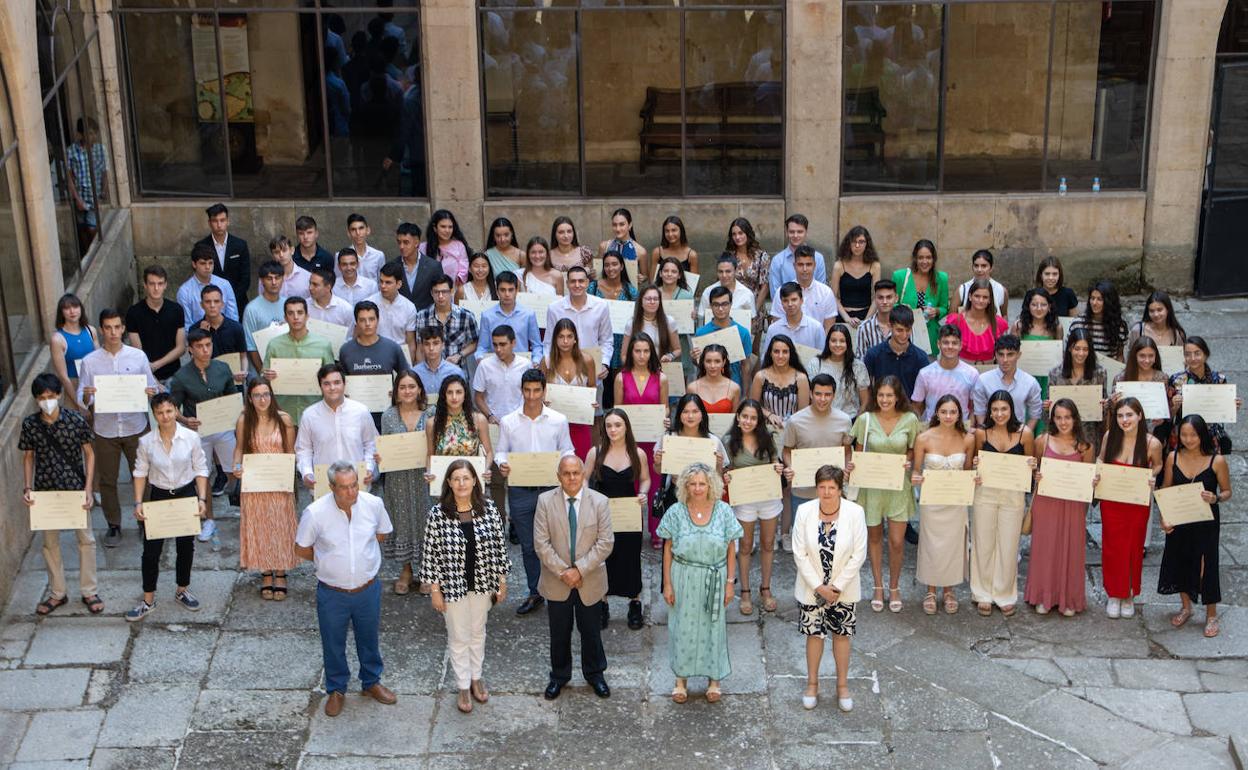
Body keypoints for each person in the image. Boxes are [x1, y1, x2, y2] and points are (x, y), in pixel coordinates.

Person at [295, 461, 397, 717]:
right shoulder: (315, 513)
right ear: (331, 487)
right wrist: (328, 561)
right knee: (332, 641)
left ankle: (371, 682)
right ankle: (336, 689)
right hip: (332, 592)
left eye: (354, 485)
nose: (351, 492)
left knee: (369, 637)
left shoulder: (373, 505)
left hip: (367, 588)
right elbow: (301, 548)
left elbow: (382, 533)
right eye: (344, 488)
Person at [422, 459, 511, 713]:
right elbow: (430, 554)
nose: (462, 483)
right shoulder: (437, 515)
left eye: (466, 478)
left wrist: (501, 581)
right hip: (452, 587)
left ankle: (476, 677)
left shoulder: (490, 509)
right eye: (456, 479)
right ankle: (462, 684)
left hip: (483, 584)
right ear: (448, 482)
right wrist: (435, 591)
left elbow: (499, 548)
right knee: (459, 636)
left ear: (475, 481)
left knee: (477, 632)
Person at [659, 462, 742, 704]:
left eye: (702, 483)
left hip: (715, 577)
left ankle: (714, 680)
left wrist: (729, 582)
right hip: (683, 576)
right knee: (681, 627)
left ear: (711, 485)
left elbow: (731, 547)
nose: (697, 488)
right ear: (685, 485)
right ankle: (681, 680)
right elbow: (668, 549)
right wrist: (667, 584)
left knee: (713, 628)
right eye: (693, 483)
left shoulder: (724, 510)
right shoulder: (676, 511)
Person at [78, 308, 160, 548]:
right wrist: (87, 396)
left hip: (136, 426)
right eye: (108, 327)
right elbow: (83, 398)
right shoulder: (90, 362)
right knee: (107, 479)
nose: (113, 332)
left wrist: (149, 391)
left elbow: (152, 386)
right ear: (101, 329)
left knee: (143, 475)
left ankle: (144, 520)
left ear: (123, 328)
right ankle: (114, 524)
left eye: (117, 327)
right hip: (105, 430)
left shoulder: (138, 357)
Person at [534, 455, 614, 700]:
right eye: (566, 473)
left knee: (591, 631)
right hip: (556, 581)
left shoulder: (599, 502)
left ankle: (595, 674)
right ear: (558, 476)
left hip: (589, 580)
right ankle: (559, 676)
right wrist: (564, 572)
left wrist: (579, 570)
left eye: (576, 473)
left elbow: (605, 542)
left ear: (582, 474)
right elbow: (541, 543)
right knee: (559, 631)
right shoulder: (545, 501)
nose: (571, 478)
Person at [496, 369, 575, 614]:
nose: (531, 396)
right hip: (520, 490)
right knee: (529, 546)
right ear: (521, 390)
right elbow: (500, 451)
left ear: (544, 391)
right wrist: (502, 464)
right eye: (527, 390)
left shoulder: (558, 420)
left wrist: (568, 465)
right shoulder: (508, 421)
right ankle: (535, 592)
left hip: (551, 489)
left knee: (556, 543)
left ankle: (559, 590)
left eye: (536, 391)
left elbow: (567, 450)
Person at [21, 374, 100, 616]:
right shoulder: (30, 425)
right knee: (49, 544)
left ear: (59, 395)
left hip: (75, 489)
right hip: (45, 492)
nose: (47, 401)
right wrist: (27, 488)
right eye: (42, 397)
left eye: (51, 396)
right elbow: (28, 456)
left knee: (86, 540)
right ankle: (57, 593)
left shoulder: (75, 420)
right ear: (36, 399)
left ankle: (89, 590)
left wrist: (88, 490)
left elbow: (90, 454)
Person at [126, 393, 210, 621]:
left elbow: (201, 468)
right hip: (159, 496)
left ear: (176, 410)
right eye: (160, 412)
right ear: (154, 415)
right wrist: (138, 502)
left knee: (186, 546)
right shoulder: (146, 442)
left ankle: (182, 590)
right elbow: (140, 472)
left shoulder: (191, 437)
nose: (165, 416)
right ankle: (148, 599)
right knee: (151, 550)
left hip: (186, 493)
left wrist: (202, 499)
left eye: (169, 411)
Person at [793, 465, 867, 712]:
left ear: (839, 489)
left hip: (842, 589)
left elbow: (858, 554)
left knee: (842, 636)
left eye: (831, 488)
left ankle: (842, 686)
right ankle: (812, 684)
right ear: (817, 488)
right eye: (822, 487)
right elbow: (799, 552)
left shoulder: (855, 512)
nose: (826, 493)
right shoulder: (804, 511)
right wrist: (818, 586)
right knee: (814, 635)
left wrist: (836, 586)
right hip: (812, 587)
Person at [850, 376, 920, 614]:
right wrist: (852, 468)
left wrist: (909, 462)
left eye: (890, 395)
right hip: (873, 488)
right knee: (875, 537)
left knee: (898, 541)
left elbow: (912, 449)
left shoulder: (910, 420)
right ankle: (878, 586)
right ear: (875, 396)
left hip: (898, 485)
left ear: (898, 396)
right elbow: (858, 453)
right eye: (881, 395)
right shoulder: (865, 419)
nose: (885, 399)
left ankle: (895, 586)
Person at [1159, 415, 1231, 638]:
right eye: (1184, 435)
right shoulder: (1173, 457)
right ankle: (1186, 607)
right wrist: (1164, 518)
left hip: (1206, 520)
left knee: (1207, 563)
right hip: (1180, 518)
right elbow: (1166, 489)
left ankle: (1211, 614)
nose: (1189, 439)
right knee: (1180, 558)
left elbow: (1227, 491)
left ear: (1202, 435)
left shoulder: (1216, 460)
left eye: (1193, 435)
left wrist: (1216, 498)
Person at [1024, 399, 1095, 616]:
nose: (1063, 422)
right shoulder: (1042, 441)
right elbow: (1033, 469)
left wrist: (1093, 480)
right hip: (1047, 501)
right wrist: (1035, 474)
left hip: (1073, 504)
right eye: (1058, 417)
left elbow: (1088, 475)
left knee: (1071, 547)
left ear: (1075, 418)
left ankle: (1068, 598)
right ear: (1052, 419)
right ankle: (1043, 596)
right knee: (1045, 547)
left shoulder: (1085, 446)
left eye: (1067, 417)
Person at [231, 378, 297, 601]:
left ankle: (281, 570)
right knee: (261, 526)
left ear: (272, 395)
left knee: (279, 525)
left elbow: (290, 454)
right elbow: (239, 449)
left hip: (278, 481)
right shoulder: (244, 421)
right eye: (257, 395)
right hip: (255, 482)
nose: (262, 399)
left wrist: (288, 479)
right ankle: (266, 570)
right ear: (250, 398)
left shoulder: (284, 419)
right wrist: (236, 466)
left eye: (266, 394)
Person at [169, 328, 239, 540]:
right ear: (190, 349)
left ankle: (244, 507)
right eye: (199, 346)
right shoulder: (181, 377)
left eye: (208, 345)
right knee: (203, 475)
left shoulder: (223, 368)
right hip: (197, 432)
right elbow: (173, 407)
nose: (205, 350)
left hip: (224, 428)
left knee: (236, 470)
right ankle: (209, 519)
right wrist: (184, 420)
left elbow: (233, 399)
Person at [970, 391, 1035, 616]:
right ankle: (982, 593)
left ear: (1012, 410)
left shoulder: (1024, 434)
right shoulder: (981, 433)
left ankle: (1005, 593)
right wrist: (975, 465)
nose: (999, 414)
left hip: (1013, 496)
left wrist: (1032, 466)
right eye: (995, 409)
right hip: (984, 493)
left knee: (1009, 544)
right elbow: (971, 466)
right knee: (983, 542)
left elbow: (1030, 466)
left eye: (1004, 409)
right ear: (989, 410)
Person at [911, 395, 976, 615]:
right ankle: (930, 589)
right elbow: (916, 470)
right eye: (944, 412)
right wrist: (915, 478)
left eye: (953, 412)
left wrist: (974, 477)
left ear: (960, 414)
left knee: (953, 544)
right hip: (932, 500)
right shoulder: (924, 438)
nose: (948, 416)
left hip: (955, 500)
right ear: (936, 413)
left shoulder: (968, 439)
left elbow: (967, 471)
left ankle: (949, 590)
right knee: (931, 543)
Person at [587, 409, 651, 630]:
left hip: (629, 515)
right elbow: (584, 482)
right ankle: (602, 604)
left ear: (626, 427)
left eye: (618, 425)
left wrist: (643, 493)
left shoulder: (638, 453)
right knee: (604, 559)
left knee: (630, 558)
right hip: (602, 516)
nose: (613, 430)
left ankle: (635, 603)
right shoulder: (595, 453)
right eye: (609, 426)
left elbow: (645, 479)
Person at [1099, 396, 1162, 619]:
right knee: (1112, 546)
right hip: (1112, 500)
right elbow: (1100, 459)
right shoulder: (1110, 436)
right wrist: (1096, 474)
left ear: (1140, 416)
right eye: (1120, 415)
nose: (1124, 420)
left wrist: (1152, 475)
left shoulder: (1152, 443)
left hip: (1136, 502)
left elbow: (1159, 465)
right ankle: (1113, 593)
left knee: (1134, 547)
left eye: (1129, 415)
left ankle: (1129, 594)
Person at [723, 399, 784, 615]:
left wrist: (779, 468)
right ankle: (746, 591)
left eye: (753, 417)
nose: (748, 421)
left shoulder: (768, 437)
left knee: (768, 543)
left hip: (768, 498)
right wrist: (727, 477)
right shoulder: (729, 441)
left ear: (758, 420)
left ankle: (765, 588)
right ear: (738, 417)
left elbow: (777, 462)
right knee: (746, 545)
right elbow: (725, 469)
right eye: (744, 416)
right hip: (745, 499)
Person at [377, 371, 431, 596]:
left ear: (419, 389)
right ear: (396, 392)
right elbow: (385, 446)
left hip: (424, 479)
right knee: (401, 520)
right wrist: (380, 457)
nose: (407, 391)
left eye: (412, 386)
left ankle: (428, 572)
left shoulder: (431, 414)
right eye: (403, 387)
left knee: (426, 520)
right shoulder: (388, 416)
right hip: (398, 479)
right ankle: (406, 570)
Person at [615, 332, 669, 544]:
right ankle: (631, 528)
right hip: (630, 440)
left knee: (655, 484)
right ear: (631, 352)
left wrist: (664, 418)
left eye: (646, 351)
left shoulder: (661, 377)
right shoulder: (621, 377)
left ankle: (656, 531)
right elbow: (617, 411)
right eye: (637, 351)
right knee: (632, 482)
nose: (642, 355)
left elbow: (665, 408)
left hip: (653, 437)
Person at [295, 363, 379, 491]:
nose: (332, 387)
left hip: (357, 485)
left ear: (344, 384)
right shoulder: (309, 415)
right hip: (324, 486)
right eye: (326, 383)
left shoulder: (361, 411)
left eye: (337, 382)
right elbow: (303, 450)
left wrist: (368, 468)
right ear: (320, 387)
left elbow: (371, 444)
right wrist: (307, 473)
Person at [474, 325, 532, 510]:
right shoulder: (485, 365)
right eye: (495, 345)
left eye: (503, 344)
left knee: (519, 477)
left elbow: (530, 394)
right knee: (497, 479)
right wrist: (490, 416)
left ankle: (517, 522)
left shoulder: (525, 365)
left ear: (513, 343)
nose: (498, 349)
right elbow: (478, 396)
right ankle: (500, 519)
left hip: (520, 426)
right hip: (495, 428)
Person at [262, 298, 337, 425]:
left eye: (300, 312)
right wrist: (266, 376)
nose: (296, 317)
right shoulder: (274, 345)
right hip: (283, 412)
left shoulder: (323, 344)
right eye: (290, 313)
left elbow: (332, 380)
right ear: (285, 318)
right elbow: (263, 379)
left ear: (307, 316)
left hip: (315, 413)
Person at [1169, 336, 1240, 455]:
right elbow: (1169, 416)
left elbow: (1224, 412)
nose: (1192, 358)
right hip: (1185, 434)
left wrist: (1232, 407)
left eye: (1197, 353)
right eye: (1188, 354)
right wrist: (1175, 406)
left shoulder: (1219, 379)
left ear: (1205, 355)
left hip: (1211, 434)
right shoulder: (1176, 380)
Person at [541, 319, 598, 460]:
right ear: (555, 339)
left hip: (580, 423)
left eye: (569, 336)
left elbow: (592, 387)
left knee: (581, 464)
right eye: (561, 336)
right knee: (555, 467)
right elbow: (540, 390)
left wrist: (592, 402)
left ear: (575, 339)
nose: (565, 341)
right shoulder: (547, 362)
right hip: (553, 425)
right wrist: (543, 401)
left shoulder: (587, 360)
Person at [545, 266, 613, 379]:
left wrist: (604, 363)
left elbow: (606, 340)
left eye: (581, 281)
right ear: (567, 284)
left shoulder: (601, 306)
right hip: (561, 371)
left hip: (593, 370)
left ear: (587, 283)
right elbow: (549, 342)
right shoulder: (554, 308)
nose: (577, 285)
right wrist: (549, 365)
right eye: (573, 281)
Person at [1046, 327, 1108, 449]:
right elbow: (1050, 412)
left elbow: (1103, 412)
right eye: (1077, 348)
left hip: (1089, 434)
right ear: (1070, 348)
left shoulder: (1100, 373)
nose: (1081, 353)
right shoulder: (1055, 373)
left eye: (1085, 349)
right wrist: (1047, 407)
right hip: (1062, 433)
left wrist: (1104, 406)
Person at [126, 265, 187, 383]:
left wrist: (156, 365)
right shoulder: (134, 313)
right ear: (145, 285)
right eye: (152, 284)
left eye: (160, 283)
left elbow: (181, 348)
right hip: (146, 376)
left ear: (165, 285)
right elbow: (138, 351)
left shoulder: (176, 310)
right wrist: (151, 376)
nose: (156, 288)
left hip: (174, 375)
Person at [972, 335, 1043, 432]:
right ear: (995, 355)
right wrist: (987, 435)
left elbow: (1035, 413)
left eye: (1010, 354)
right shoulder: (983, 380)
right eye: (1001, 354)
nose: (1005, 360)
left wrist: (1024, 435)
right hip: (991, 435)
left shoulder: (1030, 382)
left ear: (1018, 355)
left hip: (1018, 437)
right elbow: (979, 412)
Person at [911, 324, 979, 422]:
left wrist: (969, 430)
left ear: (961, 345)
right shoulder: (925, 373)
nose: (950, 347)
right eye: (946, 343)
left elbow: (974, 407)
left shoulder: (972, 374)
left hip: (961, 430)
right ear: (938, 344)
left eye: (954, 343)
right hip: (932, 429)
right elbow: (916, 406)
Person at [892, 239, 949, 356]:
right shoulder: (900, 276)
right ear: (915, 258)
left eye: (928, 258)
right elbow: (890, 304)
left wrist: (937, 311)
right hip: (905, 333)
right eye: (920, 258)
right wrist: (901, 307)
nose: (925, 261)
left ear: (934, 259)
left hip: (930, 335)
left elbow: (945, 307)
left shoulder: (942, 278)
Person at [723, 218, 772, 352]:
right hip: (733, 307)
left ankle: (753, 373)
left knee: (753, 351)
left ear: (748, 234)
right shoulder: (728, 256)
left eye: (741, 233)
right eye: (734, 234)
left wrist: (754, 310)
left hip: (755, 308)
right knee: (732, 349)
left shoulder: (762, 256)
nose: (737, 237)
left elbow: (765, 286)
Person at [692, 287, 753, 389]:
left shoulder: (743, 332)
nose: (720, 309)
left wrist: (746, 394)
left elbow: (745, 366)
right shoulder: (701, 333)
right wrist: (694, 358)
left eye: (724, 304)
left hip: (733, 387)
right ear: (710, 306)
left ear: (730, 304)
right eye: (716, 305)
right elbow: (699, 364)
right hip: (708, 388)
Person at [862, 305, 929, 398]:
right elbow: (865, 386)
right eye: (899, 330)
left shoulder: (921, 357)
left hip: (909, 410)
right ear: (890, 326)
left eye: (908, 330)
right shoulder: (873, 354)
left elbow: (924, 392)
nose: (904, 335)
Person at [807, 324, 870, 422]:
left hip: (849, 420)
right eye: (833, 341)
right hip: (820, 419)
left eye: (842, 341)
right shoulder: (816, 363)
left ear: (848, 343)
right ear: (828, 342)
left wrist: (856, 427)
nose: (837, 344)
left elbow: (865, 401)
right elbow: (810, 397)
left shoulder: (858, 366)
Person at [476, 271, 544, 362]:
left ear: (517, 291)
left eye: (511, 290)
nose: (507, 294)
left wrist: (536, 361)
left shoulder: (528, 314)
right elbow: (482, 346)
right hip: (496, 364)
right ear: (497, 291)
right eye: (503, 290)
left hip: (521, 365)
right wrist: (480, 357)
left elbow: (537, 345)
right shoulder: (487, 316)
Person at [415, 275, 479, 366]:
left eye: (444, 292)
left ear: (452, 291)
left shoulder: (466, 316)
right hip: (431, 369)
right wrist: (421, 373)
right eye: (436, 292)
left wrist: (460, 355)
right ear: (431, 293)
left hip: (458, 369)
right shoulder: (422, 316)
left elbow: (476, 342)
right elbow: (420, 348)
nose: (440, 296)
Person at [197, 203, 252, 311]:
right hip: (210, 306)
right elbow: (200, 277)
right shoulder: (201, 246)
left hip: (238, 303)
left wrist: (230, 300)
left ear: (228, 221)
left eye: (222, 220)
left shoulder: (240, 245)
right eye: (215, 221)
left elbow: (245, 279)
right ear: (209, 223)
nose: (219, 224)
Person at [941, 278, 1007, 365]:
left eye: (985, 297)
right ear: (970, 296)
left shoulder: (998, 323)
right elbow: (946, 351)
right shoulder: (956, 321)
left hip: (988, 372)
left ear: (990, 300)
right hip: (962, 372)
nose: (980, 300)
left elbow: (1002, 353)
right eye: (977, 296)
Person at [338, 301, 409, 381]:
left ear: (378, 320)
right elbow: (341, 381)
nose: (367, 324)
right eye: (362, 320)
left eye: (371, 319)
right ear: (356, 322)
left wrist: (395, 391)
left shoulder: (392, 348)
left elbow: (406, 376)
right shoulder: (346, 350)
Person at [769, 246, 838, 328]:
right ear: (794, 266)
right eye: (800, 265)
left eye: (808, 264)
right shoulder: (781, 292)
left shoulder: (826, 293)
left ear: (814, 265)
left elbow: (828, 329)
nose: (805, 269)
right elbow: (778, 327)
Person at [50, 293, 97, 412]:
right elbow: (63, 377)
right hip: (74, 386)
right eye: (67, 308)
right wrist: (79, 404)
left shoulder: (91, 330)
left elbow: (99, 359)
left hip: (94, 384)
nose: (72, 311)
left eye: (75, 307)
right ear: (62, 312)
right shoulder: (57, 339)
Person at [177, 243, 239, 331]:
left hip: (225, 336)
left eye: (210, 263)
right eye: (203, 263)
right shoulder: (184, 291)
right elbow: (186, 324)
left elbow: (233, 316)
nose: (207, 267)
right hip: (198, 338)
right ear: (194, 264)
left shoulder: (225, 284)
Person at [830, 225, 881, 330]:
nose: (857, 245)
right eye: (854, 241)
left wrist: (866, 321)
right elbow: (833, 296)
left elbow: (877, 296)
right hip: (844, 316)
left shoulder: (875, 265)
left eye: (861, 242)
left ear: (867, 244)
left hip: (867, 316)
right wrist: (847, 318)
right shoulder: (839, 265)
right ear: (848, 243)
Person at [195, 285, 247, 385]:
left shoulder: (236, 328)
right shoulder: (195, 329)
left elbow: (243, 356)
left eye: (216, 301)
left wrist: (243, 372)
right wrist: (201, 334)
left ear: (222, 304)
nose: (212, 305)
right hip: (208, 383)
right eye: (208, 302)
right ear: (201, 305)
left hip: (234, 382)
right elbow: (195, 360)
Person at [768, 214, 827, 301]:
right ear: (786, 232)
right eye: (792, 232)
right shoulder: (777, 261)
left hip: (814, 311)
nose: (795, 235)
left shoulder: (818, 258)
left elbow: (821, 291)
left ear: (806, 232)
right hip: (787, 311)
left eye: (800, 232)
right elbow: (775, 295)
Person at [242, 261, 288, 371]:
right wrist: (262, 371)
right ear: (262, 280)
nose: (274, 282)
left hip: (286, 364)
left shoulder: (288, 305)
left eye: (277, 278)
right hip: (259, 366)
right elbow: (251, 345)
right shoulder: (251, 309)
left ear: (283, 279)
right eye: (269, 278)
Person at [370, 262, 420, 362]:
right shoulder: (369, 304)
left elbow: (410, 343)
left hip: (400, 356)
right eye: (381, 281)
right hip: (374, 356)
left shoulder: (409, 307)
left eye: (388, 282)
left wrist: (408, 367)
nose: (383, 286)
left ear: (399, 284)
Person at [391, 221, 446, 311]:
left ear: (416, 242)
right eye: (399, 242)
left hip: (427, 319)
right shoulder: (392, 266)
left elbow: (440, 293)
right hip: (400, 319)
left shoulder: (433, 266)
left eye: (406, 242)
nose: (401, 246)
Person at [1070, 280, 1129, 362]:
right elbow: (1069, 352)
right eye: (1092, 298)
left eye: (1099, 299)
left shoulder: (1119, 326)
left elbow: (1119, 356)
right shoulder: (1078, 323)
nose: (1094, 303)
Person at [624, 286, 681, 366]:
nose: (652, 302)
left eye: (656, 299)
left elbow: (678, 349)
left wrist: (670, 356)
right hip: (638, 370)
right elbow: (624, 355)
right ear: (641, 302)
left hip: (661, 370)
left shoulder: (669, 321)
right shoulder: (631, 323)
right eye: (648, 299)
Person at [762, 282, 826, 354]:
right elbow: (765, 358)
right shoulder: (773, 329)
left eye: (794, 300)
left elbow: (823, 357)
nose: (790, 304)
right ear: (781, 303)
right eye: (785, 300)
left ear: (801, 301)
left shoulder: (816, 328)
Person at [412, 327, 466, 404]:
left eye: (436, 343)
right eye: (427, 344)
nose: (431, 348)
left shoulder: (456, 372)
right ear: (422, 347)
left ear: (443, 345)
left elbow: (463, 400)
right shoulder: (414, 373)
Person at [420, 209, 472, 286]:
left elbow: (464, 269)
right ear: (435, 228)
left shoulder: (459, 246)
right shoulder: (423, 247)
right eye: (443, 227)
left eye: (450, 227)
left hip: (454, 291)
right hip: (430, 291)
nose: (447, 230)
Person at [697, 254, 755, 323]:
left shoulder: (746, 294)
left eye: (728, 271)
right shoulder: (708, 292)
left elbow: (751, 320)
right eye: (720, 272)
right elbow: (701, 317)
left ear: (735, 271)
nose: (724, 275)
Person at [687, 344, 741, 417]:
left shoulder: (734, 388)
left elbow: (735, 419)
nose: (712, 366)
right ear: (703, 362)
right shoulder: (692, 388)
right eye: (708, 361)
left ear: (724, 362)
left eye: (717, 361)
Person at [598, 207, 648, 280]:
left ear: (630, 225)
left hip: (629, 290)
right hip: (607, 289)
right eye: (614, 225)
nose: (618, 229)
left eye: (622, 224)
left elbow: (646, 277)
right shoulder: (604, 246)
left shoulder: (640, 251)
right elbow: (599, 273)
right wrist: (594, 273)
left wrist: (642, 278)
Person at [307, 269, 356, 343]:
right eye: (310, 283)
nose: (310, 288)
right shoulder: (304, 306)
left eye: (315, 284)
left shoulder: (345, 309)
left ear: (328, 287)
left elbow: (350, 337)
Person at [956, 249, 1008, 316]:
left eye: (984, 266)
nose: (979, 270)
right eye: (976, 265)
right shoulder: (962, 290)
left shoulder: (1001, 290)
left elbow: (1004, 316)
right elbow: (951, 319)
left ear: (991, 268)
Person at [855, 279, 897, 354]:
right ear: (875, 299)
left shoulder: (904, 325)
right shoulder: (864, 328)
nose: (884, 302)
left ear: (896, 298)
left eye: (889, 297)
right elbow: (860, 361)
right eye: (880, 297)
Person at [649, 214, 694, 280]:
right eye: (667, 231)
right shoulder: (657, 252)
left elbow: (694, 284)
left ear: (681, 231)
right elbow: (652, 281)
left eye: (674, 230)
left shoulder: (691, 255)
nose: (670, 234)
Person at [344, 213, 386, 282]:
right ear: (349, 233)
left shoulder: (378, 255)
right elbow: (338, 282)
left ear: (368, 230)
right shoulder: (341, 256)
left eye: (361, 228)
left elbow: (382, 281)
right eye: (353, 229)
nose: (358, 233)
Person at [270, 234, 313, 299]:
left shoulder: (307, 277)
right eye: (276, 252)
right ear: (272, 255)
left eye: (284, 250)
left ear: (292, 250)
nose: (281, 255)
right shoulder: (267, 279)